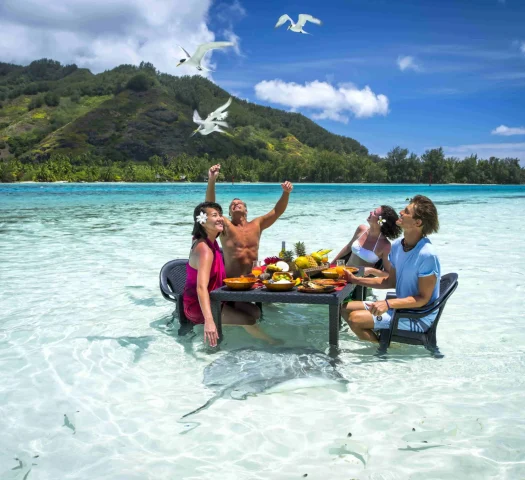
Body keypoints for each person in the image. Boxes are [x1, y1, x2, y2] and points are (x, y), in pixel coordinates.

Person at [341, 195, 441, 343]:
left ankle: (383, 352)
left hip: (418, 317)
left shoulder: (427, 255)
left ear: (417, 222)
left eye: (406, 212)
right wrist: (355, 279)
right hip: (399, 307)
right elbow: (390, 281)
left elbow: (423, 299)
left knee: (355, 319)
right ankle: (380, 336)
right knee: (343, 307)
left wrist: (387, 304)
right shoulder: (397, 246)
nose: (400, 212)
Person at [182, 201, 279, 347]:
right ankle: (271, 343)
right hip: (199, 305)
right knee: (248, 320)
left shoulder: (211, 242)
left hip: (217, 297)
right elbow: (201, 288)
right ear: (203, 221)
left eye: (220, 215)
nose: (221, 218)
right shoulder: (205, 250)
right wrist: (209, 320)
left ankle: (242, 336)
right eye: (215, 215)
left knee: (255, 312)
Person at [205, 164, 293, 277]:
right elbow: (210, 207)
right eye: (232, 204)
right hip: (232, 283)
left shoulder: (257, 224)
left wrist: (286, 193)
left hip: (254, 280)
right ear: (229, 213)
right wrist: (212, 180)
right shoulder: (225, 225)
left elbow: (277, 211)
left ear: (246, 210)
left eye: (239, 203)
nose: (235, 203)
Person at [332, 205, 402, 278]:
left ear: (380, 221)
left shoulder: (385, 246)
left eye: (374, 213)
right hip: (344, 275)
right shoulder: (361, 229)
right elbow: (348, 247)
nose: (371, 212)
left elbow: (388, 274)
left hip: (361, 283)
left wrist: (372, 271)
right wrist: (332, 264)